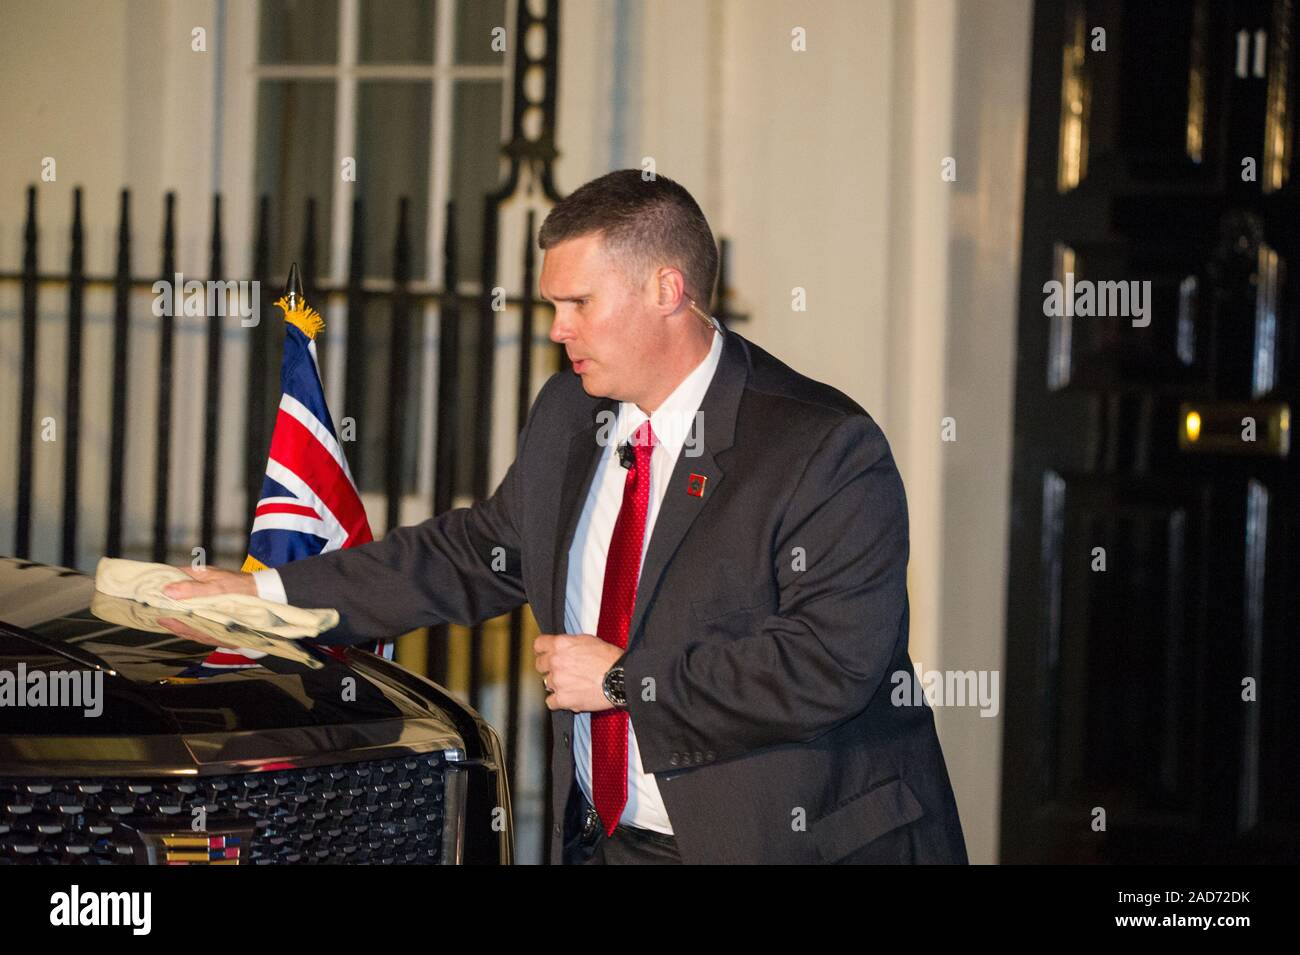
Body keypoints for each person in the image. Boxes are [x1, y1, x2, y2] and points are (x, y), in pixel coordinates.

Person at [163, 169, 969, 865]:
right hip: (606, 840)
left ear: (666, 289)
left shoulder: (820, 445)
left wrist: (622, 679)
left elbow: (830, 661)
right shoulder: (567, 414)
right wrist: (264, 595)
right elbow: (471, 554)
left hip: (783, 842)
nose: (557, 329)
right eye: (554, 304)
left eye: (579, 301)